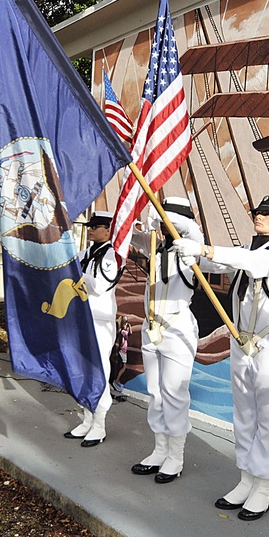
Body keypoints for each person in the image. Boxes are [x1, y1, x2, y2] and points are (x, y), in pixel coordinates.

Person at [175, 195, 269, 521]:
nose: (261, 216)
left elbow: (255, 264)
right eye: (260, 211)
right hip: (241, 341)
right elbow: (218, 264)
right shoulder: (247, 248)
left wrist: (205, 251)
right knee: (244, 413)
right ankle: (246, 478)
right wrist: (192, 244)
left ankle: (263, 488)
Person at [129, 197, 203, 484]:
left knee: (174, 393)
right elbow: (124, 234)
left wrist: (167, 217)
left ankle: (176, 457)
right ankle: (160, 450)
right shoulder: (156, 250)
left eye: (166, 221)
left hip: (177, 327)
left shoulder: (190, 250)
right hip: (152, 326)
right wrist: (148, 220)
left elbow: (193, 234)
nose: (161, 226)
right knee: (155, 392)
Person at [64, 211, 121, 447]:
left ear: (108, 230)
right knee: (82, 370)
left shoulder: (114, 256)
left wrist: (77, 272)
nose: (90, 230)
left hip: (100, 320)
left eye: (95, 227)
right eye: (90, 226)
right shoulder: (86, 253)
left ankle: (99, 424)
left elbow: (100, 286)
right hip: (82, 318)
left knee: (98, 370)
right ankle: (86, 419)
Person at [112, 316, 132, 392]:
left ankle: (118, 380)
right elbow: (129, 334)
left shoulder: (122, 331)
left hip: (123, 351)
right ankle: (116, 381)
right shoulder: (123, 331)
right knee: (124, 367)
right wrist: (129, 327)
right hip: (122, 351)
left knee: (121, 367)